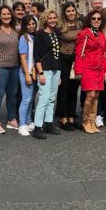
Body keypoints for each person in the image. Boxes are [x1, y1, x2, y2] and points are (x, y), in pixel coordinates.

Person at [0, 5, 21, 134]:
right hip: (0, 67)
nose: (6, 16)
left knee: (12, 95)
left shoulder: (15, 30)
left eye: (8, 14)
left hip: (14, 67)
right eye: (4, 14)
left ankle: (11, 119)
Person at [74, 10, 106, 133]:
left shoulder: (101, 35)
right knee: (90, 95)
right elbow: (78, 54)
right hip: (88, 68)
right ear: (89, 20)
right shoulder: (84, 34)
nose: (96, 21)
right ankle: (85, 121)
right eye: (94, 18)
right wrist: (79, 71)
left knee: (97, 96)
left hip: (100, 69)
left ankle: (92, 121)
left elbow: (104, 54)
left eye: (99, 19)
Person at [32, 9, 63, 139]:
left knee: (52, 98)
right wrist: (41, 73)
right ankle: (37, 127)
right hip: (45, 69)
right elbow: (36, 55)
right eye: (50, 18)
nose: (53, 20)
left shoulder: (56, 32)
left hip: (56, 69)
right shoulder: (39, 34)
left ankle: (48, 123)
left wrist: (60, 74)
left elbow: (57, 54)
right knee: (43, 99)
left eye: (54, 18)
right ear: (45, 19)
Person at [56, 2, 82, 131]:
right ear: (64, 13)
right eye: (68, 11)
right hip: (64, 59)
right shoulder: (60, 26)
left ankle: (71, 117)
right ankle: (62, 118)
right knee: (64, 89)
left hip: (77, 59)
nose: (71, 13)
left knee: (74, 89)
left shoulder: (80, 25)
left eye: (73, 11)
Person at [17, 15, 39, 136]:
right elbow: (23, 58)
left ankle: (29, 121)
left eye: (33, 23)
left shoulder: (35, 37)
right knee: (26, 99)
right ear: (24, 26)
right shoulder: (23, 38)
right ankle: (22, 124)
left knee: (31, 99)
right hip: (27, 71)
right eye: (28, 24)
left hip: (35, 71)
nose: (31, 26)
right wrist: (27, 74)